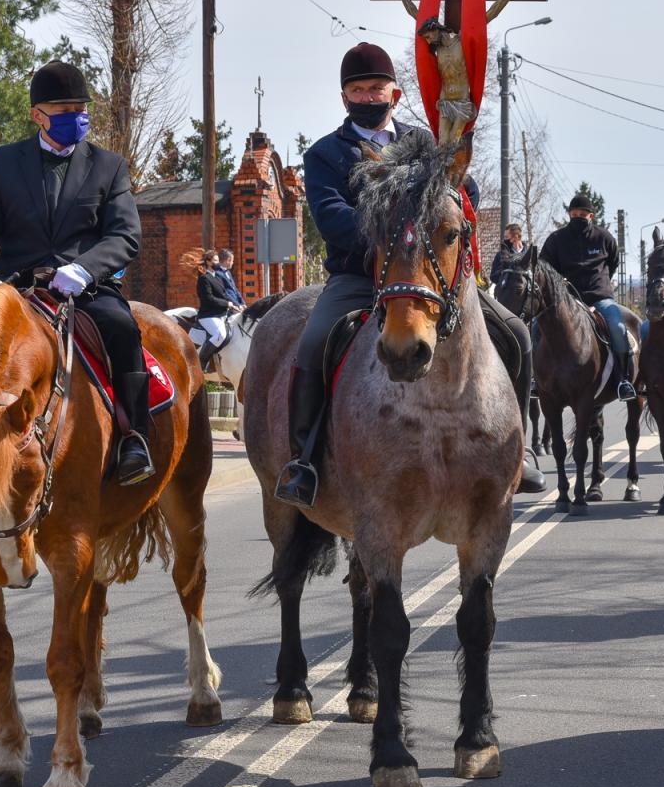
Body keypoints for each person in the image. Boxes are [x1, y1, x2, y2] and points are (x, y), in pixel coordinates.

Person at [274, 41, 545, 507]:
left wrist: (446, 222)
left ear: (394, 94)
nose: (367, 96)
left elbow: (466, 189)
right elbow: (331, 215)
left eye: (376, 87)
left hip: (430, 278)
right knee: (313, 342)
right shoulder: (324, 155)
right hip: (359, 276)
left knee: (516, 332)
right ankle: (304, 459)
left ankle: (518, 452)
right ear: (344, 98)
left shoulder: (423, 144)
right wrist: (391, 228)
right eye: (357, 90)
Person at [0, 59, 153, 489]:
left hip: (85, 289)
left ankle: (135, 439)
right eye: (65, 111)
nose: (78, 119)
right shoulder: (2, 163)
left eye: (82, 110)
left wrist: (85, 268)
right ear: (38, 115)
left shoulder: (108, 165)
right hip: (14, 288)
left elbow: (125, 234)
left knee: (122, 329)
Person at [540, 192, 636, 401]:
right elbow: (544, 267)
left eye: (583, 214)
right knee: (535, 327)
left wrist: (601, 284)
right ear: (569, 215)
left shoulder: (604, 238)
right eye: (574, 214)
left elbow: (613, 262)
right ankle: (535, 379)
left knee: (618, 328)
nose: (578, 217)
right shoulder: (556, 239)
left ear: (591, 216)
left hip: (599, 298)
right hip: (566, 300)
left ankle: (623, 379)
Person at [195, 249, 234, 370]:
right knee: (220, 334)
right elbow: (208, 299)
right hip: (208, 315)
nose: (218, 263)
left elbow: (224, 294)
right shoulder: (204, 279)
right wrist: (226, 303)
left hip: (220, 314)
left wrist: (236, 304)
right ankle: (201, 361)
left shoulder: (217, 277)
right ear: (208, 262)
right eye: (215, 261)